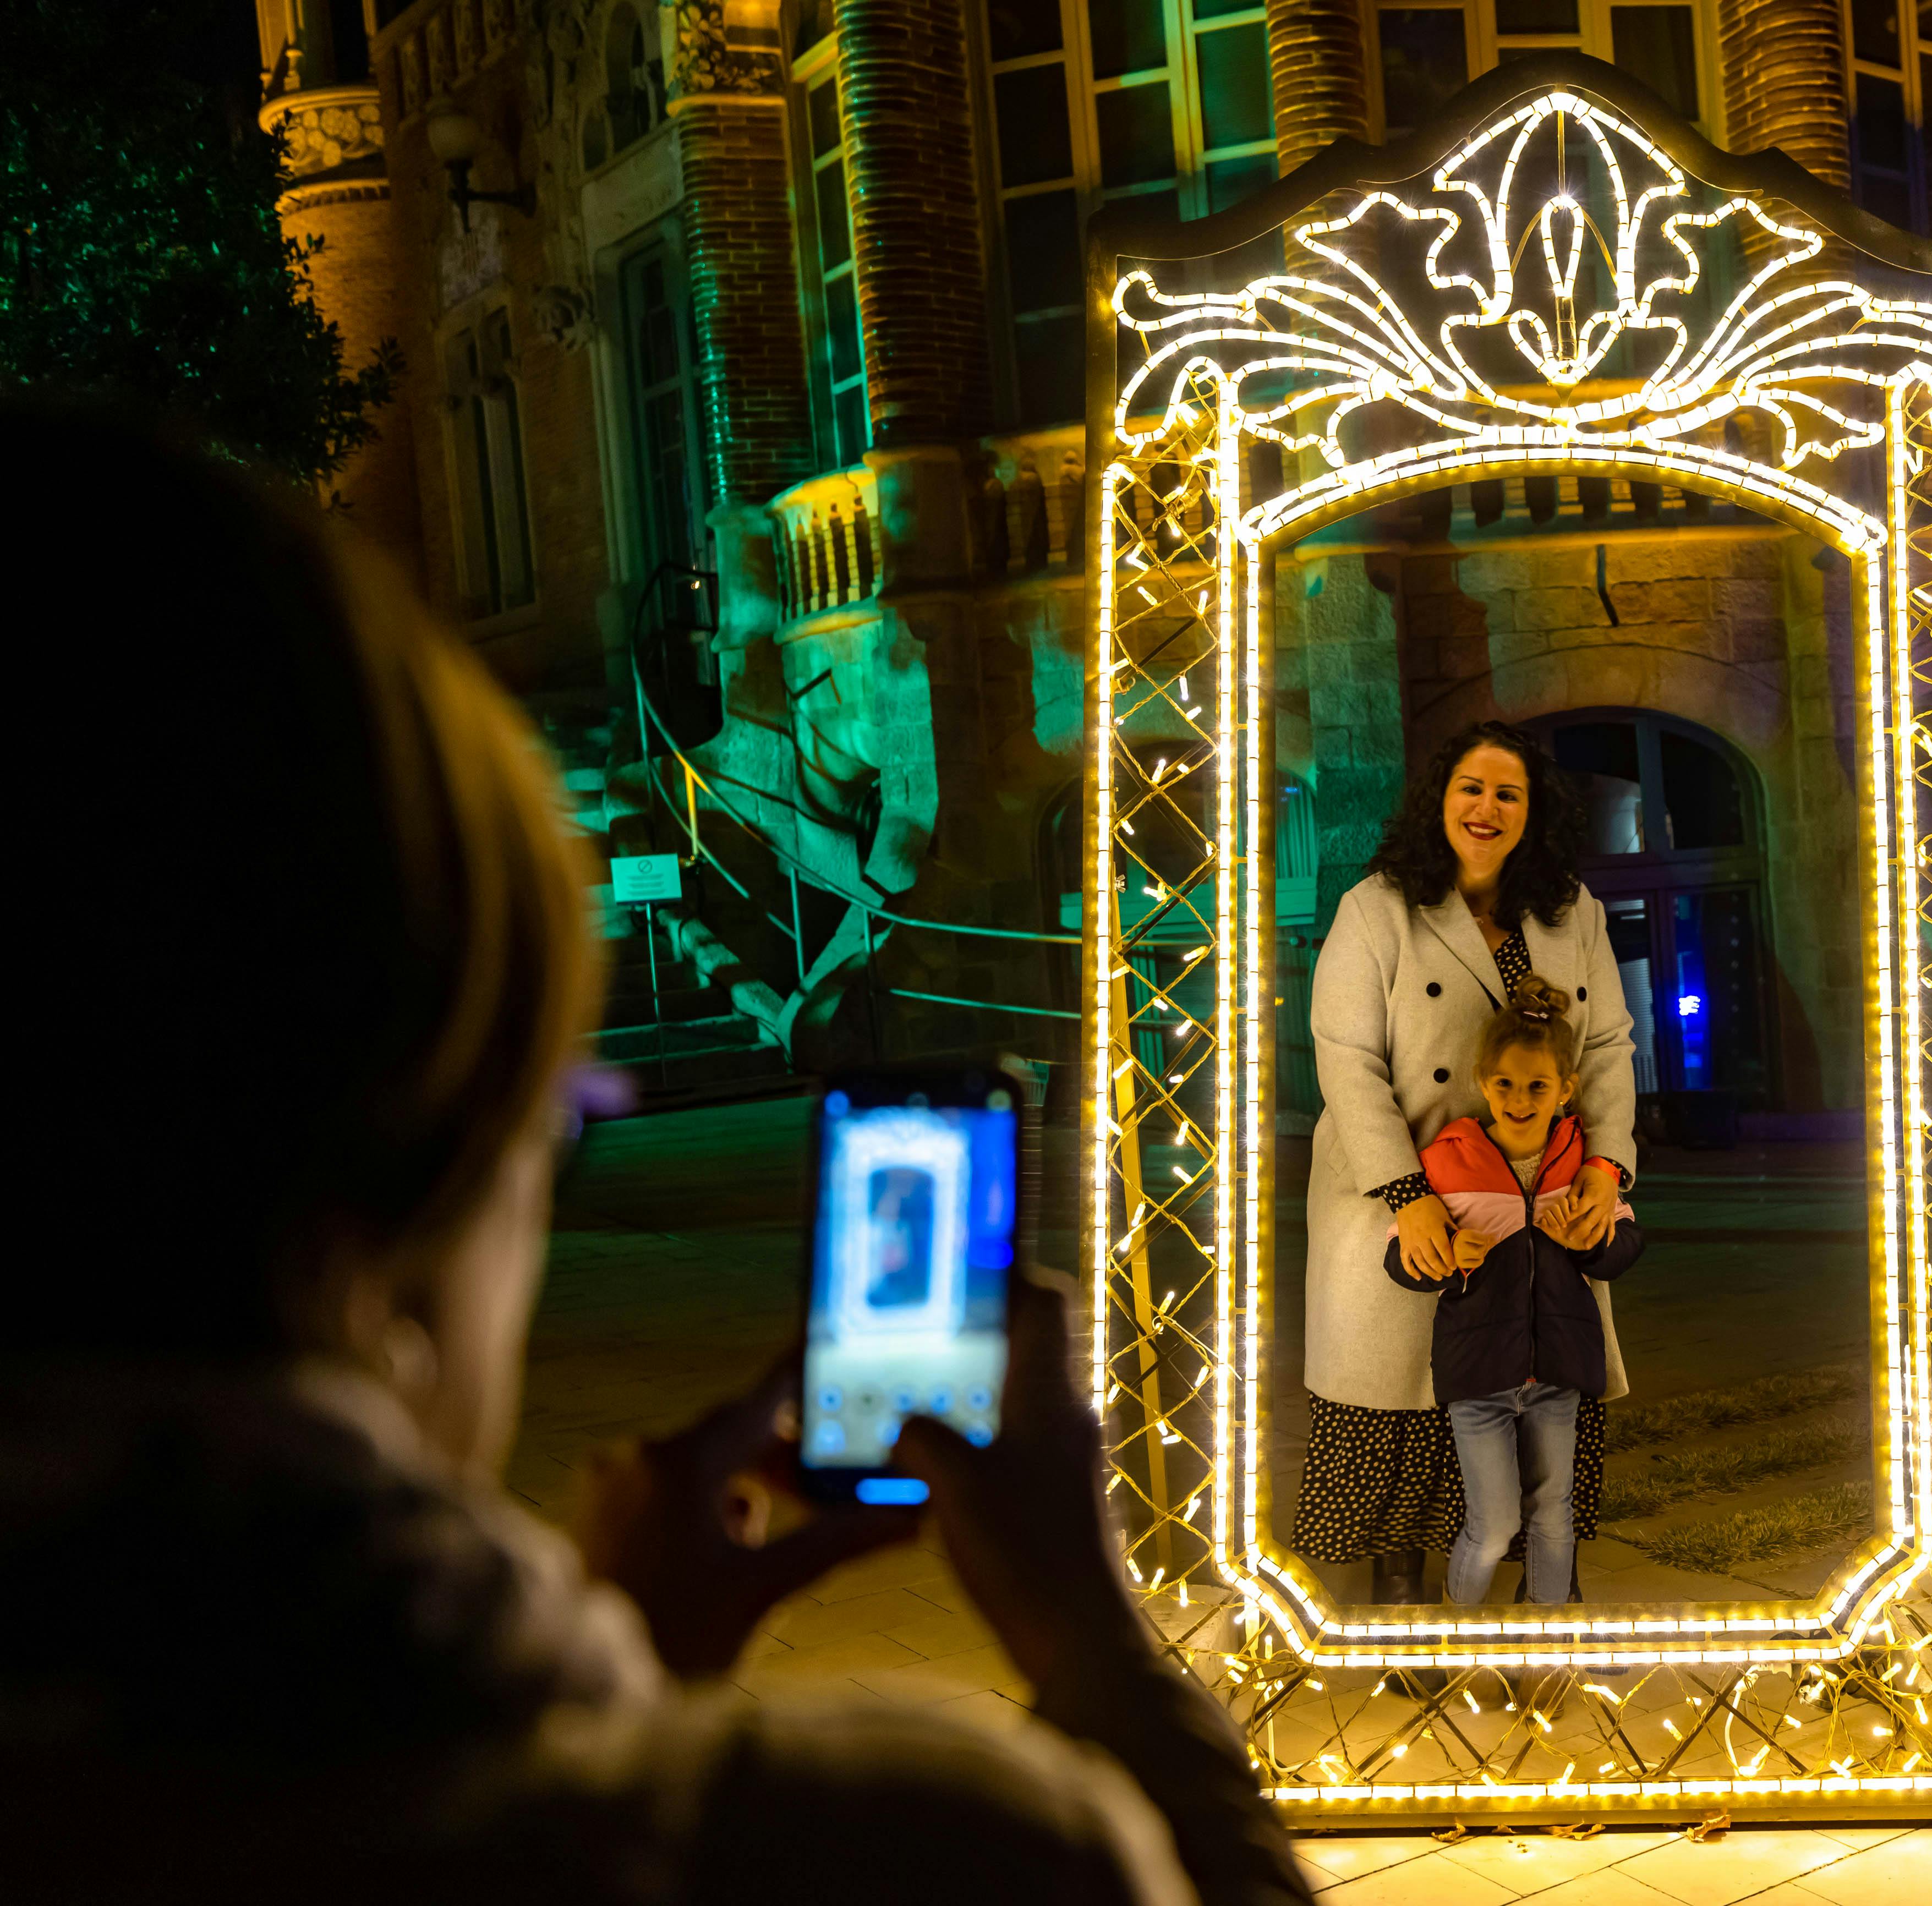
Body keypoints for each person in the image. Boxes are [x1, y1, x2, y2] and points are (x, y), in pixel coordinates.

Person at [0, 403, 1307, 1906]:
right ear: (424, 1180)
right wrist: (1094, 1647)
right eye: (555, 1121)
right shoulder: (902, 1849)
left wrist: (628, 1665)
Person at [1301, 722, 1639, 1606]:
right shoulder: (1375, 910)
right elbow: (1344, 1057)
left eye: (1507, 793)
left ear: (1533, 811)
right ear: (1438, 800)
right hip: (1399, 1191)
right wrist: (1407, 1198)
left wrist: (1606, 1170)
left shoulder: (1573, 914)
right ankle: (1404, 1589)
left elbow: (1604, 1049)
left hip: (1534, 1190)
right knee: (1407, 1396)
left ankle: (1544, 1594)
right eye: (1470, 788)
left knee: (1538, 1374)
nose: (1485, 808)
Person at [1382, 978, 1644, 1607]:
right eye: (1504, 1083)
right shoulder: (1449, 1161)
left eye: (1536, 1086)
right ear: (1481, 1080)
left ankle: (1547, 1651)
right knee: (1495, 1522)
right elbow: (1399, 1259)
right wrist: (1448, 1256)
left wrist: (1586, 1243)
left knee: (1554, 1518)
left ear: (1566, 1089)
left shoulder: (1583, 1162)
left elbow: (1625, 1249)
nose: (1520, 1099)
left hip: (1558, 1370)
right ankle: (1451, 1639)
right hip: (1478, 1377)